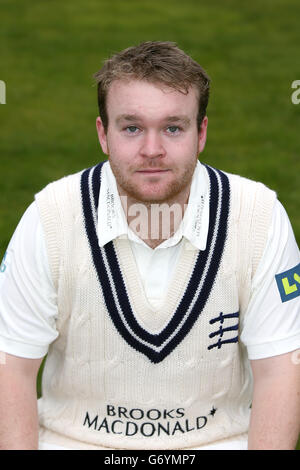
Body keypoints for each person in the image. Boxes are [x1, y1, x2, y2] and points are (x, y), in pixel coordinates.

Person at [0, 41, 300, 451]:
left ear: (202, 133)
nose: (152, 150)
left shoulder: (259, 217)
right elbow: (10, 368)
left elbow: (282, 372)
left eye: (173, 128)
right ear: (103, 134)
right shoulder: (50, 217)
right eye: (132, 127)